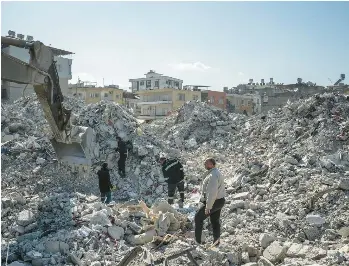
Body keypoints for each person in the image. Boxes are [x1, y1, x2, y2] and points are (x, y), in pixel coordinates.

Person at [194, 158, 226, 246]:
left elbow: (212, 192)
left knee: (198, 218)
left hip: (214, 201)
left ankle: (197, 242)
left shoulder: (213, 175)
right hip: (219, 201)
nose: (205, 165)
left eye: (206, 163)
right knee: (215, 221)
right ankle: (216, 242)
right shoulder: (214, 173)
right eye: (204, 163)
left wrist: (208, 207)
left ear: (212, 164)